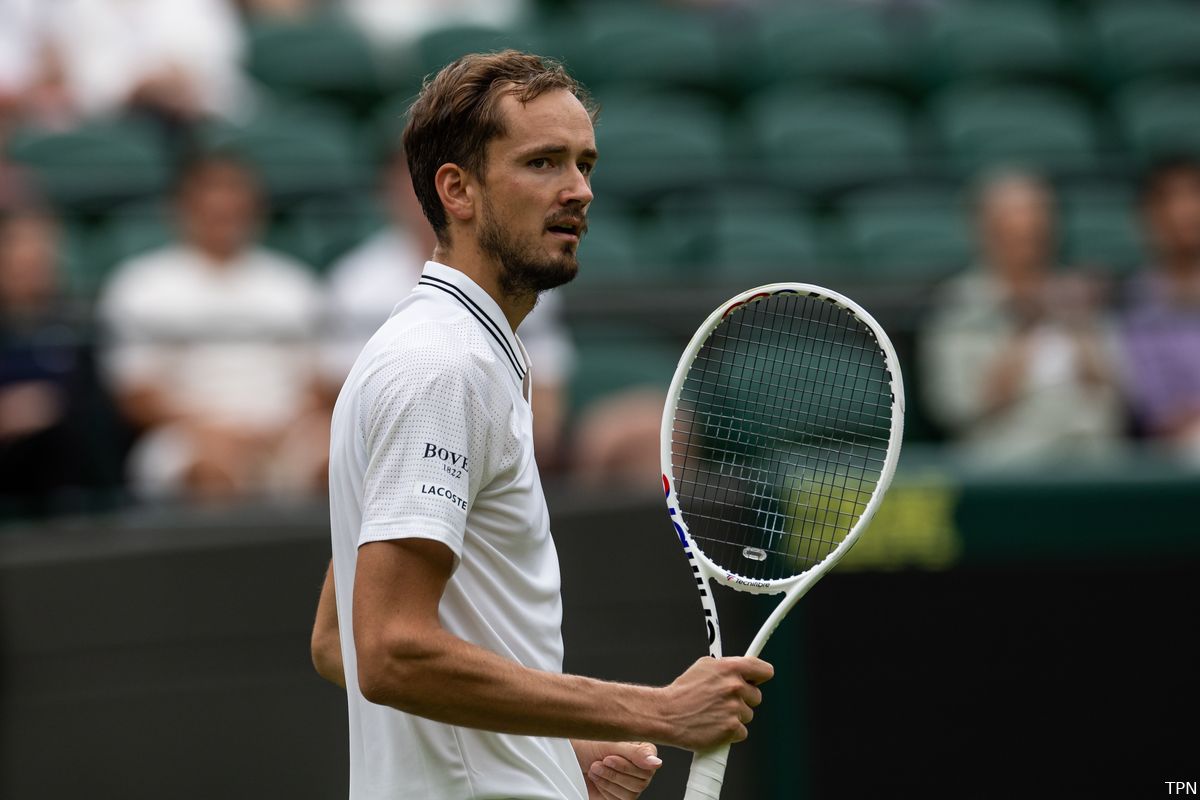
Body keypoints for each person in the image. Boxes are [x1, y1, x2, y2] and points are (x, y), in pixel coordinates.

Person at [310, 51, 772, 800]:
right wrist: (657, 709)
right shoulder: (443, 366)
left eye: (584, 163)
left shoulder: (446, 351)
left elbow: (339, 646)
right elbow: (388, 650)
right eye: (543, 163)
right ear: (456, 190)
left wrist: (564, 747)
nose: (578, 191)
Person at [98, 152, 328, 501]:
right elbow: (136, 393)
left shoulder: (294, 284)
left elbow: (318, 382)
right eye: (212, 199)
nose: (224, 211)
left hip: (287, 432)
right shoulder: (140, 284)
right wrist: (211, 431)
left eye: (235, 199)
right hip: (185, 433)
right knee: (211, 470)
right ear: (182, 207)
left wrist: (282, 429)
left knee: (335, 461)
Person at [325, 147, 575, 469]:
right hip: (382, 446)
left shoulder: (521, 271)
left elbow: (546, 394)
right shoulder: (355, 281)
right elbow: (339, 393)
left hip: (499, 445)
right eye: (413, 174)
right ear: (387, 188)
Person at [919, 170, 1124, 463]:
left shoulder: (1078, 294)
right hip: (1008, 463)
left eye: (1037, 232)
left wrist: (1077, 324)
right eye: (1012, 233)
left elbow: (1120, 393)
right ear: (987, 233)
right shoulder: (959, 304)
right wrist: (1025, 330)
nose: (1027, 239)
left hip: (1093, 456)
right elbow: (954, 408)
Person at [0, 207, 122, 514]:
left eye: (42, 249)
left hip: (65, 460)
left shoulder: (76, 327)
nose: (33, 261)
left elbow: (95, 403)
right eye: (19, 249)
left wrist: (49, 408)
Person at [1121, 157, 1200, 458]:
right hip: (1174, 451)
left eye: (1195, 195)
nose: (1187, 210)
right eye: (1172, 198)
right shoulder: (1134, 299)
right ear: (1150, 215)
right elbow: (1154, 410)